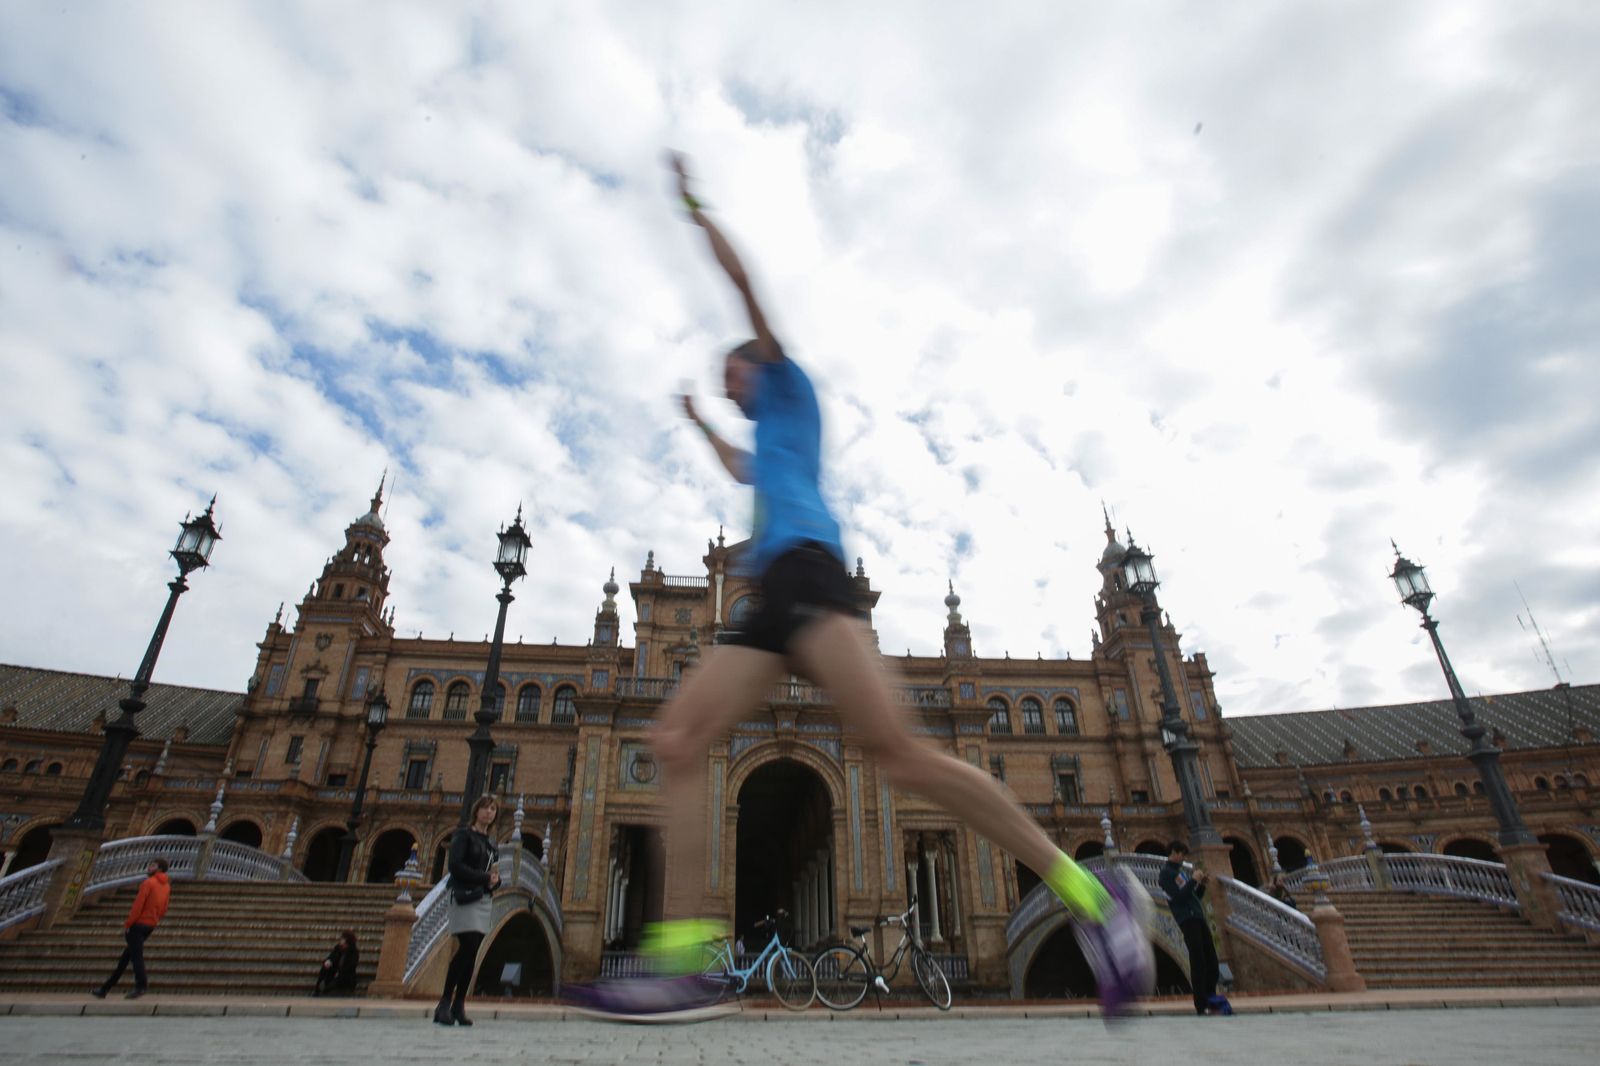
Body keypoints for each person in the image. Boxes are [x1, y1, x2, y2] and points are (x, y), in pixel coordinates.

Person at [566, 153, 1153, 1022]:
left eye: (732, 377)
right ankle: (689, 957)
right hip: (774, 603)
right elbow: (738, 463)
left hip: (809, 576)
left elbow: (744, 286)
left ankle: (1098, 898)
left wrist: (696, 210)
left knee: (904, 756)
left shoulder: (787, 385)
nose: (730, 387)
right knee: (680, 737)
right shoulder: (767, 444)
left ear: (754, 367)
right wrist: (697, 426)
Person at [434, 794, 501, 1026]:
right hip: (464, 896)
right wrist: (484, 878)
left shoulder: (492, 843)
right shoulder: (463, 835)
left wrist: (495, 881)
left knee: (472, 951)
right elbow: (455, 866)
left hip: (482, 898)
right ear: (477, 811)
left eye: (492, 809)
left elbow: (495, 872)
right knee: (468, 946)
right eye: (485, 808)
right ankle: (444, 1002)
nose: (489, 812)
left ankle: (459, 1004)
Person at [90, 857, 170, 1000]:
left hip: (138, 924)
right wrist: (154, 918)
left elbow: (138, 906)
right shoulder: (166, 886)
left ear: (159, 869)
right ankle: (104, 989)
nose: (149, 867)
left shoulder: (148, 883)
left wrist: (129, 924)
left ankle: (141, 985)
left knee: (136, 957)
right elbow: (164, 909)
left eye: (152, 865)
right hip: (150, 925)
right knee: (126, 958)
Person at [1159, 841, 1223, 1016]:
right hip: (1187, 920)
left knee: (1211, 961)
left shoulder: (1181, 873)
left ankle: (1211, 998)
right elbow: (1178, 897)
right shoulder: (1165, 874)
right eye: (1181, 854)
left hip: (1198, 917)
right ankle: (1201, 1005)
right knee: (1198, 961)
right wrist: (1193, 880)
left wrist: (1201, 884)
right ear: (1173, 852)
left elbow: (1194, 896)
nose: (1182, 858)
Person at [313, 929, 360, 996]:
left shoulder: (354, 952)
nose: (341, 941)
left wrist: (338, 973)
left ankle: (328, 989)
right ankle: (317, 989)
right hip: (336, 972)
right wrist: (328, 962)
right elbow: (331, 957)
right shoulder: (338, 948)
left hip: (345, 976)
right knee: (325, 967)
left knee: (338, 980)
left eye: (343, 940)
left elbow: (350, 967)